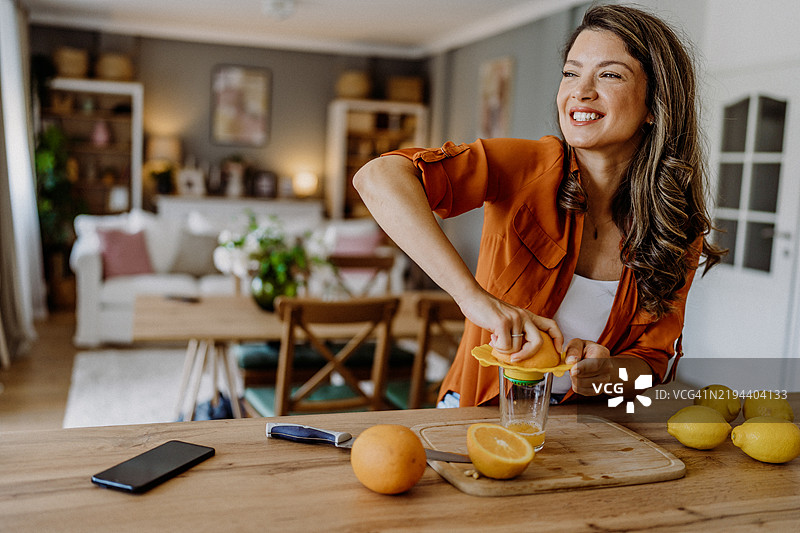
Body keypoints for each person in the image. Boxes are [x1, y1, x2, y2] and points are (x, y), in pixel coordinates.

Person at [353, 4, 724, 407]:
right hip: (475, 413)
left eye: (610, 74)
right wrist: (473, 298)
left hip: (589, 433)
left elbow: (655, 360)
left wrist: (609, 373)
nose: (580, 91)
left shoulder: (676, 227)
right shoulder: (523, 166)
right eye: (570, 72)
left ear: (656, 105)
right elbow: (376, 177)